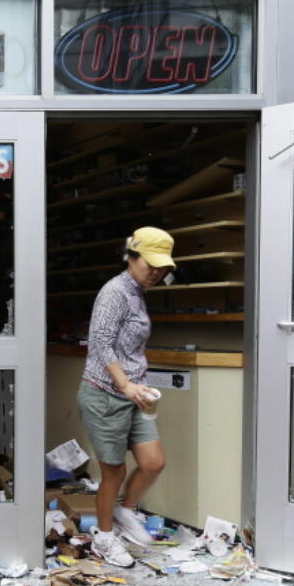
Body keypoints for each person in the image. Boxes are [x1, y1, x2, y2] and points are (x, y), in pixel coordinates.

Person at [76, 226, 175, 568]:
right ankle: (104, 539)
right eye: (152, 265)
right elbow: (100, 343)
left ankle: (125, 512)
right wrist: (125, 385)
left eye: (163, 268)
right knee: (114, 473)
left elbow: (128, 346)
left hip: (134, 394)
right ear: (132, 257)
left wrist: (139, 385)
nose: (158, 273)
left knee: (153, 462)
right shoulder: (114, 292)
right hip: (105, 395)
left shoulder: (137, 292)